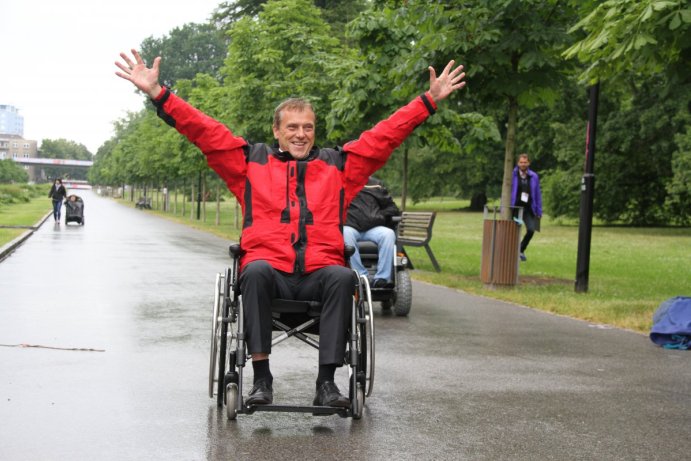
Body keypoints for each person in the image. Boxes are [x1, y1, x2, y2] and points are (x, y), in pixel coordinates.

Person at [115, 49, 466, 408]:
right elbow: (204, 131)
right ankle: (262, 379)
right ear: (277, 131)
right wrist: (160, 95)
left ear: (315, 130)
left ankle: (327, 384)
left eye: (308, 127)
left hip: (319, 273)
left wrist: (428, 101)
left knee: (343, 277)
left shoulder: (338, 167)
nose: (301, 135)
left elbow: (384, 136)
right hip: (271, 273)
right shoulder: (248, 163)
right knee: (253, 271)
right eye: (292, 128)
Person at [343, 177, 400, 289]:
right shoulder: (342, 182)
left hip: (372, 228)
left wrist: (377, 216)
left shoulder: (376, 185)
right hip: (351, 227)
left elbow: (392, 208)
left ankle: (382, 278)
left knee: (388, 233)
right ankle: (360, 275)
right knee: (345, 233)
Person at [511, 153, 542, 262]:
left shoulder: (534, 176)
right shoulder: (512, 175)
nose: (523, 164)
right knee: (513, 231)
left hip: (528, 208)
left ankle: (521, 249)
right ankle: (510, 253)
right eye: (521, 162)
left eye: (525, 162)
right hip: (514, 209)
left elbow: (538, 194)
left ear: (528, 163)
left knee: (531, 229)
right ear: (517, 163)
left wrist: (539, 210)